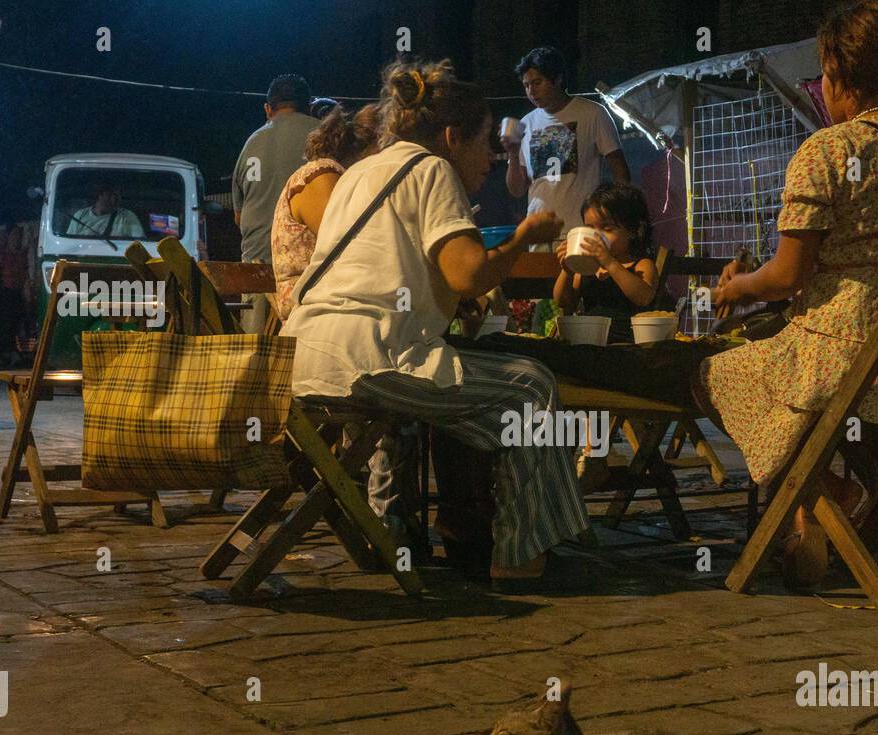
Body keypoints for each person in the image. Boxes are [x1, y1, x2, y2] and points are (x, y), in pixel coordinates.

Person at [693, 0, 878, 586]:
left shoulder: (828, 151)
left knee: (711, 373)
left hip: (845, 357)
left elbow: (786, 277)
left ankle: (830, 494)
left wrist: (735, 287)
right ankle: (841, 504)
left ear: (841, 73)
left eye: (825, 71)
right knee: (809, 399)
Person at [284, 59, 588, 585]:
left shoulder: (359, 171)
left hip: (304, 355)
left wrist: (446, 296)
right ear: (451, 136)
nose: (492, 156)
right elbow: (469, 273)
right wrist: (521, 238)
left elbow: (395, 268)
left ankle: (477, 533)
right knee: (530, 386)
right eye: (485, 141)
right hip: (371, 361)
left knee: (479, 383)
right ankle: (519, 555)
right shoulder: (433, 169)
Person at [502, 46, 630, 238]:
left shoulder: (592, 113)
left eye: (537, 82)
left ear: (558, 79)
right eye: (526, 85)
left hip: (580, 230)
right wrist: (512, 152)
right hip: (538, 231)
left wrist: (609, 218)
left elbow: (620, 171)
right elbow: (517, 190)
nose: (531, 91)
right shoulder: (526, 123)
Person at [271, 103, 381, 321]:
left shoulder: (339, 177)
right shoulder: (322, 174)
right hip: (315, 318)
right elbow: (350, 249)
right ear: (376, 148)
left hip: (337, 311)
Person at [232, 74, 319, 332]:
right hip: (309, 275)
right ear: (309, 106)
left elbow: (239, 217)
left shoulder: (251, 143)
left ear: (268, 109)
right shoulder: (323, 137)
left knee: (256, 356)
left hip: (256, 272)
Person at [553, 182, 660, 343]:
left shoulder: (641, 265)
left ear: (632, 230)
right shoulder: (587, 269)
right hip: (589, 342)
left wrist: (609, 262)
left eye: (607, 228)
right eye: (590, 228)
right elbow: (563, 302)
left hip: (628, 344)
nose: (596, 236)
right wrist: (567, 270)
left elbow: (643, 297)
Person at [66, 183, 144, 238]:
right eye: (112, 194)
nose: (116, 198)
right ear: (100, 195)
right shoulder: (80, 214)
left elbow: (139, 241)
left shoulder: (127, 216)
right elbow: (69, 240)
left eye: (118, 194)